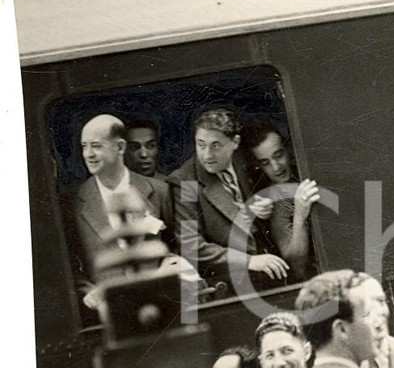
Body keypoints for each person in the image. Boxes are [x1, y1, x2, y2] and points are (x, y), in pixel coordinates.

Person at [167, 107, 290, 288]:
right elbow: (192, 246)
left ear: (235, 143)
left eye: (216, 145)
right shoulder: (186, 183)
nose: (207, 155)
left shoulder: (244, 158)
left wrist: (264, 207)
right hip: (231, 281)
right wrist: (249, 261)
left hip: (275, 264)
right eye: (201, 144)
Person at [69, 113, 174, 306]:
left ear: (120, 147)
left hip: (162, 302)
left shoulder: (159, 190)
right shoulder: (72, 203)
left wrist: (170, 268)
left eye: (96, 146)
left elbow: (177, 247)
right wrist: (90, 293)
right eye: (84, 146)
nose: (88, 154)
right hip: (108, 311)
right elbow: (69, 269)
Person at [242, 116, 319, 280]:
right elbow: (297, 265)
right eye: (265, 163)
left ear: (288, 150)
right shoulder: (276, 199)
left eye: (278, 155)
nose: (276, 167)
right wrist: (299, 215)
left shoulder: (308, 170)